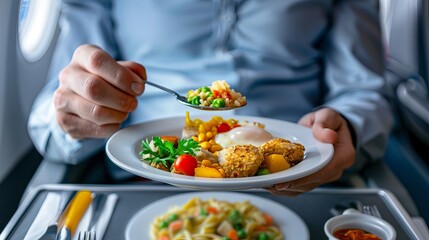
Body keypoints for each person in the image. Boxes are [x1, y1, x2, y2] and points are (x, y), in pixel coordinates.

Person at [28, 0, 392, 196]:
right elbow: (52, 110)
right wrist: (74, 116)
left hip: (301, 181)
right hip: (148, 182)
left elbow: (363, 90)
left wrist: (348, 126)